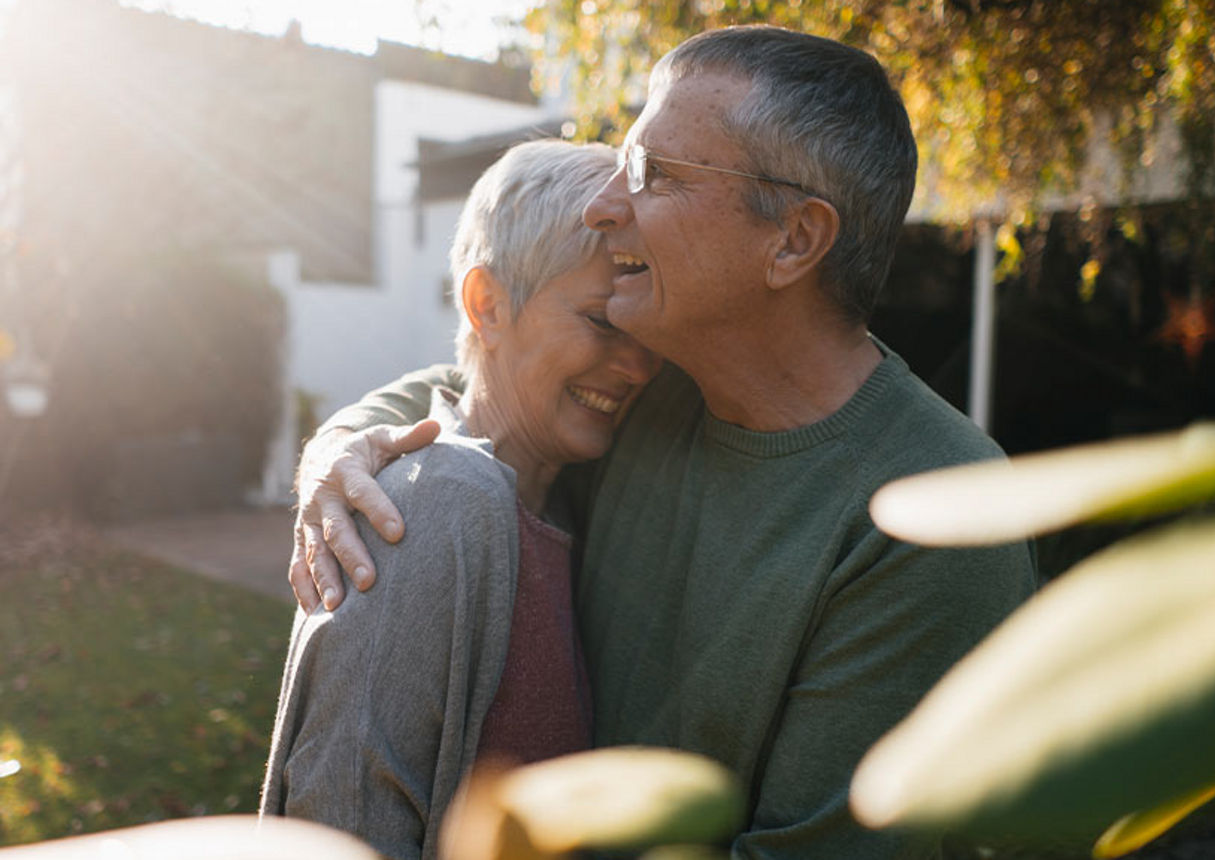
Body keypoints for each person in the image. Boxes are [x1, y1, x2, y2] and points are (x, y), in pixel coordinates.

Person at [292, 26, 1036, 858]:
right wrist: (343, 447)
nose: (606, 206)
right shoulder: (651, 390)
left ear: (792, 239)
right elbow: (488, 382)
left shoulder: (938, 519)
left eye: (653, 174)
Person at [259, 140, 661, 860]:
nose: (637, 366)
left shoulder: (557, 501)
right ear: (487, 305)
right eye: (602, 323)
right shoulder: (434, 504)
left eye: (642, 332)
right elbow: (340, 820)